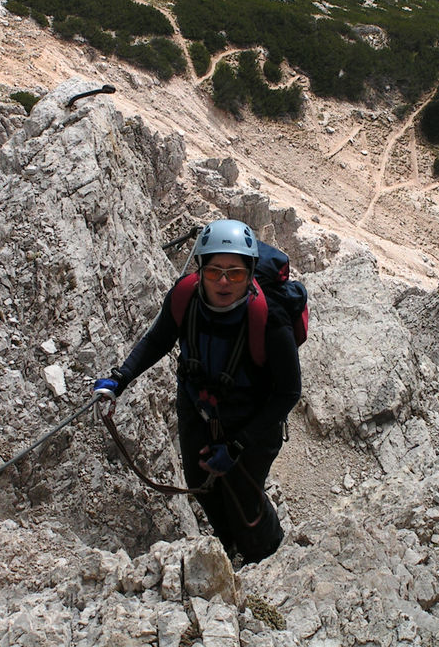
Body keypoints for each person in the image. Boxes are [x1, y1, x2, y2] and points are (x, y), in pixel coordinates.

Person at [93, 219, 301, 564]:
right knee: (199, 481)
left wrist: (237, 445)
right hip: (198, 408)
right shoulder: (185, 296)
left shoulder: (269, 318)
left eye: (234, 273)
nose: (223, 281)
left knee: (244, 496)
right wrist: (120, 379)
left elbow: (288, 392)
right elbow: (158, 339)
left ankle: (266, 553)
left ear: (250, 274)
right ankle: (227, 544)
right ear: (200, 270)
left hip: (252, 421)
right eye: (214, 271)